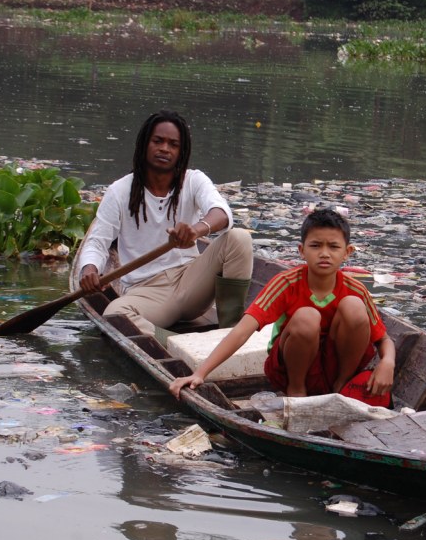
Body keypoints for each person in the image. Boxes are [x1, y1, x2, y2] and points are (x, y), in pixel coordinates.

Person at [169, 208, 395, 403]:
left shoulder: (355, 289)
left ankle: (341, 386)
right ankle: (296, 391)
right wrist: (200, 373)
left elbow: (383, 339)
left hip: (335, 367)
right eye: (315, 245)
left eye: (333, 247)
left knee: (354, 307)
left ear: (347, 253)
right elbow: (242, 330)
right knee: (307, 316)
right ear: (301, 250)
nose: (324, 253)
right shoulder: (286, 283)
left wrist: (387, 362)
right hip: (292, 370)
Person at [77, 110, 253, 336]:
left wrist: (195, 231)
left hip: (191, 281)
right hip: (147, 292)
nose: (164, 149)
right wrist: (89, 268)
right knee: (116, 315)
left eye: (173, 144)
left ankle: (231, 333)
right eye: (158, 141)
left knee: (239, 238)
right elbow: (97, 243)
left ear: (181, 152)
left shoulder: (193, 180)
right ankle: (173, 345)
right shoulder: (119, 191)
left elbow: (221, 213)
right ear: (144, 145)